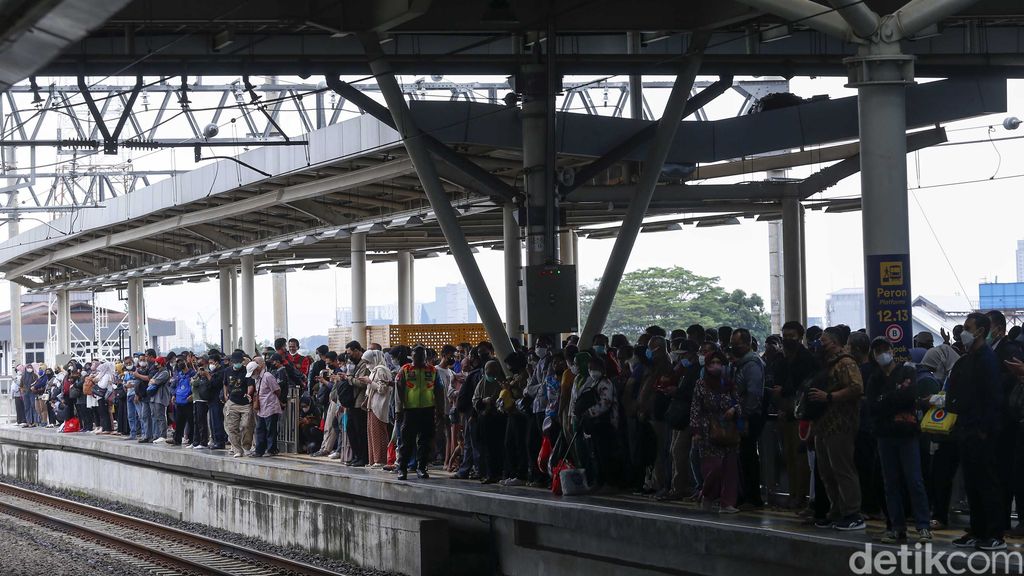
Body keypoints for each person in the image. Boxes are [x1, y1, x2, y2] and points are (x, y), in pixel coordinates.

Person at [947, 312, 1006, 551]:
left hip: (982, 432)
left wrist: (984, 429)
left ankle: (994, 534)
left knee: (987, 483)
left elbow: (993, 398)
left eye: (968, 327)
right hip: (966, 428)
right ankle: (977, 530)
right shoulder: (969, 358)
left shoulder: (987, 359)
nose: (964, 332)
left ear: (980, 330)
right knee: (972, 483)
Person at [866, 337, 932, 543]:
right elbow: (873, 405)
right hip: (885, 435)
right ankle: (897, 526)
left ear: (892, 350)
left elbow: (909, 396)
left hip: (906, 434)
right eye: (878, 350)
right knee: (891, 483)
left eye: (885, 349)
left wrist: (886, 399)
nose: (882, 353)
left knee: (914, 481)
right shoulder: (874, 378)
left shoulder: (907, 370)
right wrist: (894, 396)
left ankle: (923, 526)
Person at [806, 326, 864, 531]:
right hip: (824, 424)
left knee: (842, 469)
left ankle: (853, 512)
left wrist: (829, 397)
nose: (819, 344)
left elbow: (857, 388)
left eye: (823, 341)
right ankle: (836, 509)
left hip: (841, 424)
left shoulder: (846, 363)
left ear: (836, 342)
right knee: (826, 471)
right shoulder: (825, 364)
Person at [770, 321, 818, 510]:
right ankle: (793, 494)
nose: (788, 339)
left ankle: (802, 495)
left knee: (800, 457)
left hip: (801, 414)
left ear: (800, 336)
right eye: (785, 335)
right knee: (789, 456)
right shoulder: (781, 359)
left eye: (791, 336)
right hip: (785, 412)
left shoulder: (807, 359)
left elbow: (806, 384)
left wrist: (785, 390)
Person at [690, 349, 742, 514]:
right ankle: (707, 494)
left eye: (719, 363)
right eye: (712, 363)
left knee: (730, 467)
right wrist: (696, 430)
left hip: (728, 430)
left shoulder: (728, 384)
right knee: (714, 467)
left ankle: (727, 503)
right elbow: (695, 408)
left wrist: (734, 410)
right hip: (707, 431)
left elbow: (739, 402)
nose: (715, 366)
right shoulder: (701, 384)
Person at [395, 346, 443, 480]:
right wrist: (399, 410)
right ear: (412, 356)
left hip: (428, 410)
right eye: (416, 356)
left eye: (422, 356)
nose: (419, 358)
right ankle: (402, 468)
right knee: (406, 441)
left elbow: (439, 391)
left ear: (426, 357)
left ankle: (422, 468)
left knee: (425, 441)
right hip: (410, 411)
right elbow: (398, 391)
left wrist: (440, 410)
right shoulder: (405, 370)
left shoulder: (433, 371)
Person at [731, 328, 765, 509]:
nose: (733, 348)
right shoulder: (740, 363)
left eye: (736, 344)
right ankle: (744, 494)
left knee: (748, 457)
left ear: (747, 344)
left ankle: (753, 497)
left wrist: (744, 416)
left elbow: (753, 393)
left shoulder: (752, 364)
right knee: (742, 457)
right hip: (742, 414)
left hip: (748, 416)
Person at [474, 359, 506, 484]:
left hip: (498, 420)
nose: (491, 376)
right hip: (484, 420)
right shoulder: (482, 384)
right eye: (489, 373)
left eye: (494, 373)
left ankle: (497, 473)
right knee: (486, 449)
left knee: (497, 448)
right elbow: (475, 400)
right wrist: (484, 401)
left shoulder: (502, 383)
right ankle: (488, 473)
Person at [363, 349, 393, 467]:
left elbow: (382, 389)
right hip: (372, 405)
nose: (367, 364)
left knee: (379, 432)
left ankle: (381, 459)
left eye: (368, 361)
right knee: (372, 433)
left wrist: (369, 382)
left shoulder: (381, 370)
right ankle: (374, 459)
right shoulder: (374, 370)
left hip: (379, 405)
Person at [223, 351, 254, 458]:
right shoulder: (227, 371)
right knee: (232, 427)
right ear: (232, 362)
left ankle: (246, 446)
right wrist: (225, 394)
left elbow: (250, 385)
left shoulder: (246, 371)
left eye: (240, 362)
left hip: (245, 403)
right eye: (236, 362)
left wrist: (248, 394)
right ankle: (237, 449)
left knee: (246, 425)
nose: (238, 364)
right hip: (232, 402)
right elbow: (225, 384)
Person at [345, 340, 370, 467]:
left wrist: (347, 378)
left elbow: (361, 383)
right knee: (350, 429)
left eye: (350, 353)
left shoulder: (364, 364)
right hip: (351, 403)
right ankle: (356, 456)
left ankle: (363, 457)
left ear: (357, 350)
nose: (348, 356)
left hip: (360, 403)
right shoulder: (352, 363)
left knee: (360, 431)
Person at [252, 357, 283, 457]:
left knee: (271, 430)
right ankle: (259, 450)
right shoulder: (257, 378)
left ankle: (271, 450)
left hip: (270, 407)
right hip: (262, 407)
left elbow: (277, 390)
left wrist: (272, 399)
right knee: (260, 429)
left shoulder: (267, 376)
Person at [147, 357, 173, 444]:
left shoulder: (165, 373)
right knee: (154, 416)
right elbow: (150, 381)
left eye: (157, 363)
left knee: (161, 416)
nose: (156, 365)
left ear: (161, 364)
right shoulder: (158, 372)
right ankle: (157, 434)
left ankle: (163, 435)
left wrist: (153, 381)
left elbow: (156, 381)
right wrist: (152, 381)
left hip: (160, 398)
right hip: (154, 397)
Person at [190, 360, 214, 450]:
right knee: (196, 421)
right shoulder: (198, 373)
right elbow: (192, 381)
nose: (199, 366)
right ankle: (196, 441)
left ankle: (203, 442)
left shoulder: (207, 373)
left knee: (201, 422)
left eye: (201, 364)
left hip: (202, 399)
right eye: (198, 364)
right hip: (196, 399)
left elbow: (196, 383)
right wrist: (196, 376)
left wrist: (200, 376)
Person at [171, 359, 195, 446]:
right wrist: (174, 395)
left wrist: (193, 395)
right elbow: (176, 386)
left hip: (188, 401)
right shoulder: (179, 375)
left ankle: (192, 440)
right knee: (179, 421)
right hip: (179, 401)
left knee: (191, 421)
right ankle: (177, 439)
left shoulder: (193, 374)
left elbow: (195, 386)